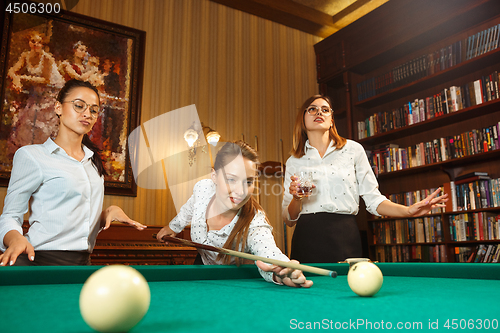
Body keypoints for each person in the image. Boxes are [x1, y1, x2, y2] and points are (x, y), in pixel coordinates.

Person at [282, 95, 448, 263]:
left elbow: (373, 199)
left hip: (345, 236)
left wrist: (407, 210)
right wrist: (297, 198)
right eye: (312, 109)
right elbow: (289, 219)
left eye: (325, 110)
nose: (319, 112)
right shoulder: (294, 161)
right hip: (306, 238)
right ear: (303, 119)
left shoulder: (353, 150)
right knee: (306, 289)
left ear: (331, 120)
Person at [0, 79, 146, 266]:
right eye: (79, 106)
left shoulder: (94, 163)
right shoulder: (32, 156)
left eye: (93, 110)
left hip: (83, 263)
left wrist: (109, 212)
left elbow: (78, 221)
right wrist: (15, 239)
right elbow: (10, 216)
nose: (87, 114)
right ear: (58, 108)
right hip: (39, 260)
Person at [157, 141, 313, 288]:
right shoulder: (203, 188)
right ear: (214, 176)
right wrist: (173, 226)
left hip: (233, 281)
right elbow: (189, 208)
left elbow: (268, 251)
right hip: (201, 267)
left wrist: (281, 271)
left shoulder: (255, 221)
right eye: (231, 179)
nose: (241, 191)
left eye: (249, 182)